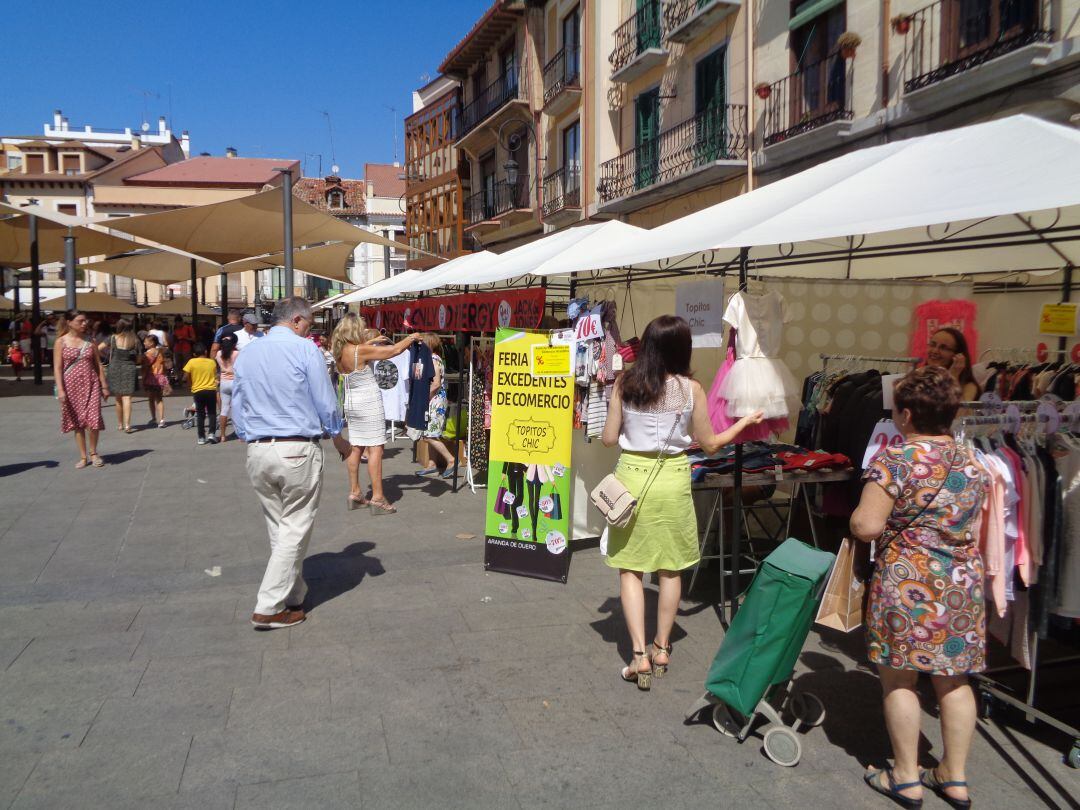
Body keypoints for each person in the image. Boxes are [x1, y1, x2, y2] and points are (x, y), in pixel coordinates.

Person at [851, 366, 988, 809]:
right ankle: (954, 776)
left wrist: (857, 521)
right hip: (960, 583)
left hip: (909, 582)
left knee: (900, 678)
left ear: (907, 414)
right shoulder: (973, 462)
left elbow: (867, 526)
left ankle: (906, 776)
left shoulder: (895, 460)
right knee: (954, 681)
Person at [600, 315, 763, 689]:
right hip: (673, 479)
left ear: (648, 346)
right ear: (683, 349)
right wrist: (743, 423)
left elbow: (609, 438)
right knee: (670, 568)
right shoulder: (692, 389)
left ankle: (638, 655)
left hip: (631, 480)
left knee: (630, 569)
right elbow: (710, 444)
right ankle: (661, 648)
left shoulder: (625, 383)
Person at [231, 296, 351, 630]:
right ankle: (269, 605)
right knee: (296, 524)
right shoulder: (305, 350)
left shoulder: (250, 351)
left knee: (278, 525)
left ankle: (293, 594)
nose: (309, 329)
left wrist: (245, 431)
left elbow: (238, 398)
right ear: (297, 321)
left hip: (258, 448)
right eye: (309, 323)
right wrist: (337, 435)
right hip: (296, 446)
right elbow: (325, 400)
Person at [331, 314, 421, 514]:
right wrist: (411, 337)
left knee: (356, 447)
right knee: (375, 449)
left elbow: (359, 350)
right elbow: (394, 350)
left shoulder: (339, 351)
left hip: (352, 403)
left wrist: (372, 341)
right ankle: (378, 497)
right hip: (368, 403)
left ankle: (355, 492)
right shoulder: (359, 350)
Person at [53, 309, 109, 468]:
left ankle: (94, 453)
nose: (84, 323)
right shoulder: (61, 342)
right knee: (77, 422)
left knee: (94, 419)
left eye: (85, 321)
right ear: (69, 322)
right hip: (71, 386)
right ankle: (83, 456)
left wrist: (104, 385)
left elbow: (98, 364)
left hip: (91, 383)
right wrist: (61, 390)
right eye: (80, 321)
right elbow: (57, 368)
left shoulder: (90, 341)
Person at [415, 333, 456, 478]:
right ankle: (432, 464)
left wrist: (425, 398)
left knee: (430, 434)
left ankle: (450, 460)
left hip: (435, 400)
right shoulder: (435, 358)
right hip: (436, 400)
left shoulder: (432, 359)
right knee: (429, 432)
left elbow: (436, 383)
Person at [105, 319, 141, 433]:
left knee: (118, 398)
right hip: (129, 368)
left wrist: (104, 357)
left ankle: (120, 424)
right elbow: (139, 359)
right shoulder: (135, 340)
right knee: (127, 398)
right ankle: (127, 425)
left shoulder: (113, 338)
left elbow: (98, 348)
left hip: (115, 367)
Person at [926, 327, 979, 402]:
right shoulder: (920, 376)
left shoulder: (969, 387)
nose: (935, 351)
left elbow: (961, 412)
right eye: (932, 344)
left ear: (958, 355)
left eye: (943, 348)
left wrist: (953, 376)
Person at [183, 342, 219, 446]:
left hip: (198, 391)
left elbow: (185, 377)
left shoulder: (191, 362)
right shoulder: (212, 362)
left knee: (200, 414)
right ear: (206, 352)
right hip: (211, 390)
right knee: (212, 413)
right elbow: (215, 376)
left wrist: (189, 384)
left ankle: (201, 437)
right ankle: (212, 433)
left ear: (194, 354)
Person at [141, 334, 169, 428]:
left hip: (151, 378)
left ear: (152, 343)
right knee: (159, 399)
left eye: (146, 341)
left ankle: (153, 418)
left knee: (151, 399)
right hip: (160, 377)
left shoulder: (146, 354)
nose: (144, 343)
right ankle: (162, 419)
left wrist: (143, 379)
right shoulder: (160, 352)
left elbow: (144, 368)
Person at [215, 334, 238, 442]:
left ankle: (223, 435)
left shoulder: (219, 354)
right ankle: (239, 433)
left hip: (224, 382)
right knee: (237, 409)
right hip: (235, 382)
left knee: (224, 410)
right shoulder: (237, 353)